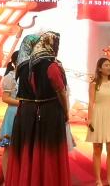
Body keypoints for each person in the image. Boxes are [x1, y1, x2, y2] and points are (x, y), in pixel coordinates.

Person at [5, 31, 71, 186]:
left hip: (25, 111)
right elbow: (61, 91)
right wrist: (66, 111)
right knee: (47, 150)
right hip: (49, 112)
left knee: (27, 150)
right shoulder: (52, 66)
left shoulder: (22, 67)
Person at [87, 57, 110, 186]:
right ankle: (98, 180)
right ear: (100, 69)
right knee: (97, 149)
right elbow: (91, 102)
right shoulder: (94, 84)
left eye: (109, 65)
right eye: (106, 65)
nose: (109, 67)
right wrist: (90, 118)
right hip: (98, 115)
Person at [0, 51, 20, 177]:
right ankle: (7, 178)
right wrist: (22, 103)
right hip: (13, 113)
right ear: (15, 63)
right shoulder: (10, 77)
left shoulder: (28, 76)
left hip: (25, 113)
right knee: (8, 147)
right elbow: (5, 98)